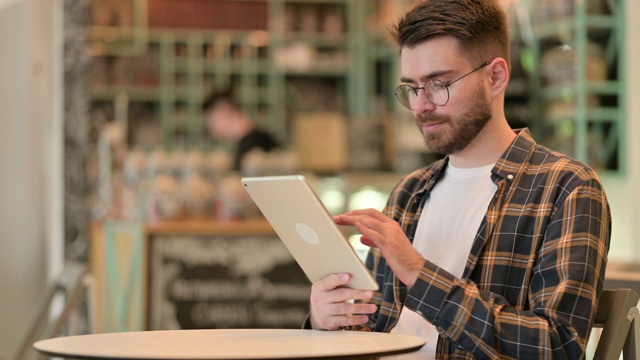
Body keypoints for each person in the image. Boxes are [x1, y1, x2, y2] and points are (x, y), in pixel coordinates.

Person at [306, 0, 611, 359]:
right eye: (412, 88)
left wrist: (420, 275)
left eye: (439, 84)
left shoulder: (565, 187)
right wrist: (326, 320)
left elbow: (558, 346)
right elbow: (373, 332)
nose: (421, 106)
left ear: (495, 76)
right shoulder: (409, 191)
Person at [203, 88, 279, 171]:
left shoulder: (251, 144)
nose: (209, 128)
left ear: (223, 111)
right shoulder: (254, 140)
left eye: (210, 119)